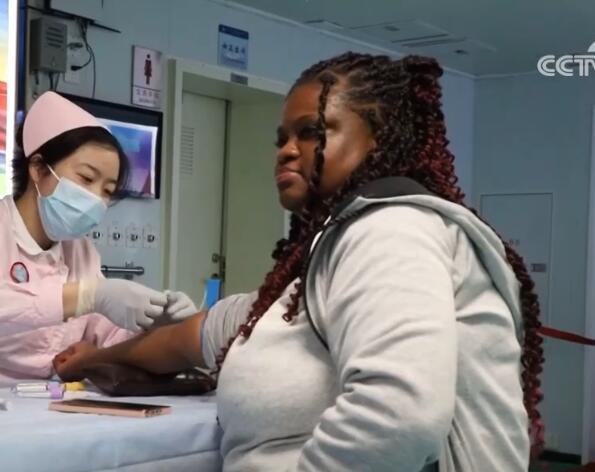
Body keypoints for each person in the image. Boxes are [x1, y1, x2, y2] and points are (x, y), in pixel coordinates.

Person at [53, 53, 545, 471]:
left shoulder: (390, 229)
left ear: (379, 137)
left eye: (311, 132)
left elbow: (398, 415)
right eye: (281, 139)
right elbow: (198, 335)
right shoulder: (327, 256)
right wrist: (96, 358)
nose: (287, 152)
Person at [0, 92, 197, 381]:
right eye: (86, 178)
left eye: (107, 191)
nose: (96, 198)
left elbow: (108, 339)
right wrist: (85, 296)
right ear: (38, 169)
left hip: (41, 399)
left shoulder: (80, 252)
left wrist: (155, 325)